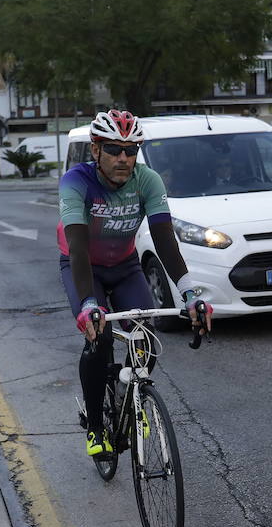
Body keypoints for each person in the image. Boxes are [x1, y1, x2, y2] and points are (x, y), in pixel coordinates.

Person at [58, 109, 211, 458]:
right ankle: (96, 428)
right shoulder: (75, 182)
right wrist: (88, 305)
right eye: (114, 149)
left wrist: (189, 294)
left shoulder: (147, 180)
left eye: (132, 150)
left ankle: (134, 401)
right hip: (84, 266)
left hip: (125, 266)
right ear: (95, 151)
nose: (123, 158)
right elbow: (78, 247)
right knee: (99, 339)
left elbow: (164, 240)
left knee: (145, 336)